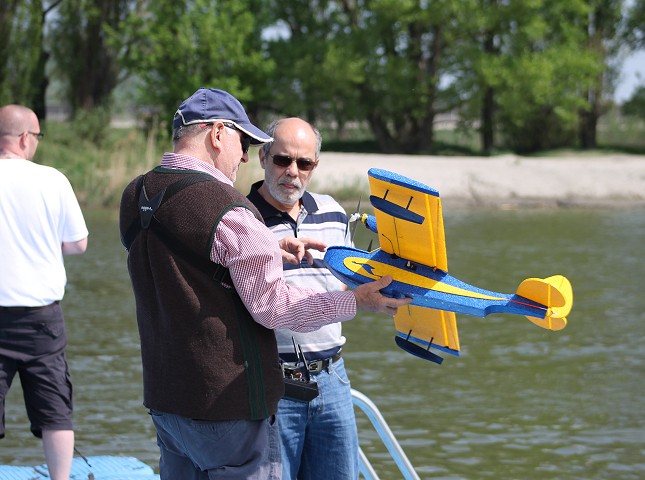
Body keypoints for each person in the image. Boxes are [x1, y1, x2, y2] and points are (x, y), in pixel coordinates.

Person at [118, 88, 410, 480]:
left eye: (304, 162)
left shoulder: (135, 195)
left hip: (167, 403)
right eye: (244, 141)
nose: (242, 155)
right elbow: (274, 307)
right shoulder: (232, 211)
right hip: (227, 408)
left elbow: (188, 264)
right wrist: (355, 301)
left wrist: (266, 245)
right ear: (218, 133)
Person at [247, 118, 358, 479]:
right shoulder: (241, 219)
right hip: (271, 384)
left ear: (315, 166)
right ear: (263, 156)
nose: (292, 172)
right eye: (282, 160)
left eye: (304, 163)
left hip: (333, 378)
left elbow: (349, 284)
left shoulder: (334, 212)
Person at [0, 105, 89, 480]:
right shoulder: (53, 179)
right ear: (24, 139)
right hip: (42, 319)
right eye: (36, 137)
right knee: (55, 411)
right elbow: (78, 244)